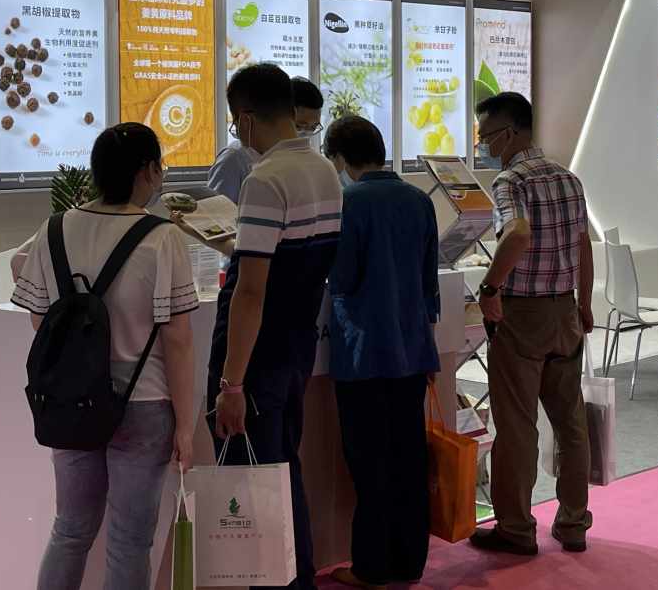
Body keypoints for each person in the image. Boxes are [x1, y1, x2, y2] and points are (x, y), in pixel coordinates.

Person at [11, 123, 198, 590]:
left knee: (70, 530)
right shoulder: (162, 237)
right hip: (144, 403)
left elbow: (40, 321)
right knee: (129, 541)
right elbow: (177, 339)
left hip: (70, 399)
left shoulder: (55, 228)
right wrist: (186, 423)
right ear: (148, 171)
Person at [199, 64, 342, 590]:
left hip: (257, 357)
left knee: (249, 484)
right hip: (296, 346)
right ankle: (297, 579)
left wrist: (231, 383)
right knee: (281, 472)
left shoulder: (264, 179)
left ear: (245, 119)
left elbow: (250, 292)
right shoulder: (324, 171)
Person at [468, 92, 595, 557]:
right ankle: (574, 522)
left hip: (521, 314)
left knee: (517, 424)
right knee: (570, 422)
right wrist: (584, 303)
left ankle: (516, 528)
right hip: (564, 311)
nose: (483, 145)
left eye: (486, 136)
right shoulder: (567, 177)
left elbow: (517, 232)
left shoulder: (509, 181)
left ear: (510, 133)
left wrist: (490, 287)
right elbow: (583, 244)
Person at [321, 116, 440, 590]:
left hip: (363, 353)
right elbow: (429, 280)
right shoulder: (418, 199)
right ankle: (409, 561)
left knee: (369, 464)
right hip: (413, 348)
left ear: (338, 158)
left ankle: (370, 566)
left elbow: (342, 278)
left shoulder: (348, 203)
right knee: (409, 459)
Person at [207, 75, 324, 203]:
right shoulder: (235, 158)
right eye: (299, 126)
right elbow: (217, 211)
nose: (305, 134)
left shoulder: (309, 161)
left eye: (312, 128)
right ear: (280, 117)